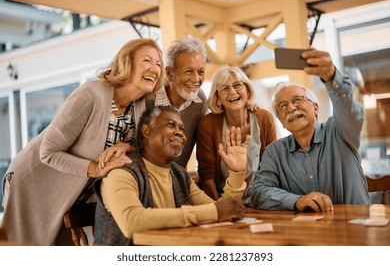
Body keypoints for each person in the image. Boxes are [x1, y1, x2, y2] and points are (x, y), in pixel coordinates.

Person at [0, 38, 165, 245]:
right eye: (147, 61)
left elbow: (145, 149)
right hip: (33, 183)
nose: (155, 68)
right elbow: (48, 151)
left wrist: (127, 146)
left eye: (158, 63)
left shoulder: (139, 107)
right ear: (127, 63)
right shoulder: (91, 94)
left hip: (73, 194)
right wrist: (95, 168)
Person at [93, 106, 248, 245]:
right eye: (170, 125)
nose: (179, 132)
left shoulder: (179, 174)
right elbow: (132, 222)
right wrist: (214, 212)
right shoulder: (121, 171)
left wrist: (236, 173)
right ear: (146, 131)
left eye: (182, 129)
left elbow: (221, 210)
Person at [250, 47, 371, 212]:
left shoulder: (340, 131)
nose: (291, 108)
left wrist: (331, 76)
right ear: (281, 121)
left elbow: (350, 110)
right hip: (308, 232)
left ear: (315, 107)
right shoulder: (275, 152)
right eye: (283, 106)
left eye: (298, 100)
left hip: (355, 226)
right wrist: (296, 201)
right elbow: (258, 192)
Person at [196, 65, 276, 205]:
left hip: (259, 200)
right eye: (224, 89)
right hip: (222, 199)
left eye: (237, 85)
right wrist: (219, 207)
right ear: (218, 98)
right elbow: (206, 175)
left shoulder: (264, 118)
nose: (232, 91)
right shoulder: (208, 124)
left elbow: (272, 167)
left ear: (247, 91)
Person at [145, 35, 208, 168]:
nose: (196, 79)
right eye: (188, 71)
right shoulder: (147, 99)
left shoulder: (200, 100)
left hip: (176, 178)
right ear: (169, 73)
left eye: (201, 72)